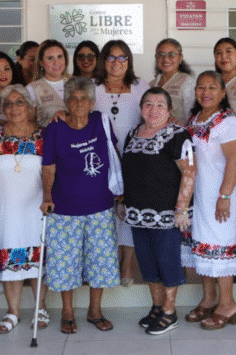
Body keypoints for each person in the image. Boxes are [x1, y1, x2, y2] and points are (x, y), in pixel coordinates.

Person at [41, 77, 120, 334]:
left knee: (100, 260)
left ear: (92, 102)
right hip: (64, 208)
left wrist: (121, 188)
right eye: (73, 99)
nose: (78, 103)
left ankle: (95, 310)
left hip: (100, 205)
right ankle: (67, 311)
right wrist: (46, 196)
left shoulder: (101, 122)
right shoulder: (55, 129)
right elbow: (48, 166)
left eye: (84, 98)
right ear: (65, 102)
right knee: (65, 262)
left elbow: (113, 154)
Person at [121, 87, 196, 335]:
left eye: (160, 105)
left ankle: (169, 311)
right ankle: (156, 306)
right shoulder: (134, 133)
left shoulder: (178, 135)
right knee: (147, 262)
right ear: (141, 108)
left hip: (166, 214)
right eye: (148, 105)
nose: (153, 110)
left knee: (167, 261)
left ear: (169, 109)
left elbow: (189, 172)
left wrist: (182, 208)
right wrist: (123, 201)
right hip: (138, 212)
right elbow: (128, 171)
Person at [181, 71, 236, 330]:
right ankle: (208, 299)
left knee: (220, 248)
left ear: (222, 92)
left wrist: (225, 195)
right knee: (202, 249)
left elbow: (235, 159)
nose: (205, 92)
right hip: (197, 197)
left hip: (219, 196)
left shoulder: (228, 122)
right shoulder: (194, 119)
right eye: (200, 87)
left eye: (211, 87)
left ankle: (227, 303)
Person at [0, 86, 48, 333]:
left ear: (31, 108)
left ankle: (40, 308)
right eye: (8, 104)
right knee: (8, 256)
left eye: (20, 102)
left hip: (36, 206)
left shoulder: (44, 135)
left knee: (38, 258)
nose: (14, 108)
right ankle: (12, 312)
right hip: (4, 207)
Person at [93, 39, 149, 287]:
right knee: (104, 210)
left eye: (122, 58)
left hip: (133, 156)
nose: (117, 63)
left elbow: (153, 115)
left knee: (128, 208)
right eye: (111, 58)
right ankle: (103, 262)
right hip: (99, 157)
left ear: (129, 61)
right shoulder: (93, 87)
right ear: (103, 61)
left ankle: (126, 265)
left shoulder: (140, 87)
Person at [149, 38, 195, 124]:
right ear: (156, 57)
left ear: (180, 58)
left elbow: (192, 117)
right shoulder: (151, 85)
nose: (166, 59)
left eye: (172, 54)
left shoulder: (187, 82)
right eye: (161, 54)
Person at [28, 39, 71, 127]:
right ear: (41, 63)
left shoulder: (77, 83)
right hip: (48, 139)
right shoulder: (32, 88)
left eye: (60, 57)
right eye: (50, 58)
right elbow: (28, 124)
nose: (56, 62)